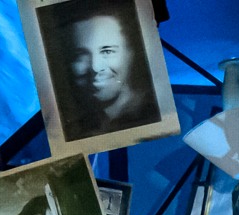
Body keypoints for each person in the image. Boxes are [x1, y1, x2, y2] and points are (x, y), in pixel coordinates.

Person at [50, 2, 158, 138]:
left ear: (130, 53)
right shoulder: (71, 125)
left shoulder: (153, 111)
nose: (95, 67)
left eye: (107, 51)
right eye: (80, 55)